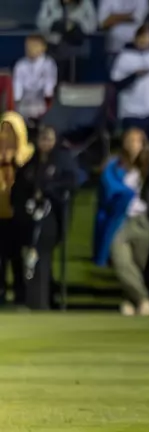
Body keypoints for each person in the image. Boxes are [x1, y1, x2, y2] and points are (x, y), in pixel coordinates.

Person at [11, 124, 77, 310]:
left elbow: (71, 183)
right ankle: (37, 299)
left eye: (49, 139)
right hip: (32, 217)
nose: (45, 143)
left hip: (52, 217)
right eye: (43, 139)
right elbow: (21, 187)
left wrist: (48, 190)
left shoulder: (62, 160)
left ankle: (40, 301)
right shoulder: (33, 163)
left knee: (40, 253)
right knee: (33, 257)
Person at [94, 127, 149, 316]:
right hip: (120, 220)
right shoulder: (114, 166)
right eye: (130, 140)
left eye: (137, 140)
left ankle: (130, 300)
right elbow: (109, 188)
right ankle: (144, 298)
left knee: (137, 265)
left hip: (142, 221)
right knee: (121, 262)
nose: (133, 144)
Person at [0, 113, 34, 306]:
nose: (5, 135)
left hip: (19, 215)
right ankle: (2, 291)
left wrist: (13, 161)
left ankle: (22, 293)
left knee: (17, 256)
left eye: (10, 130)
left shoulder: (27, 155)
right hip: (0, 213)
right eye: (3, 130)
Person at [110, 22, 149, 144]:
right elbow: (116, 83)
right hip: (131, 111)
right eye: (142, 36)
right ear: (135, 37)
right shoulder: (124, 57)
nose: (145, 40)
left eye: (148, 36)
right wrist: (135, 75)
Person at [13, 35, 59, 122]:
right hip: (24, 101)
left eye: (34, 46)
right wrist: (17, 100)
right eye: (28, 46)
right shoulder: (20, 65)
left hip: (42, 100)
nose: (30, 49)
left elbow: (50, 82)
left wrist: (47, 97)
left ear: (43, 47)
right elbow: (17, 83)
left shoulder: (48, 64)